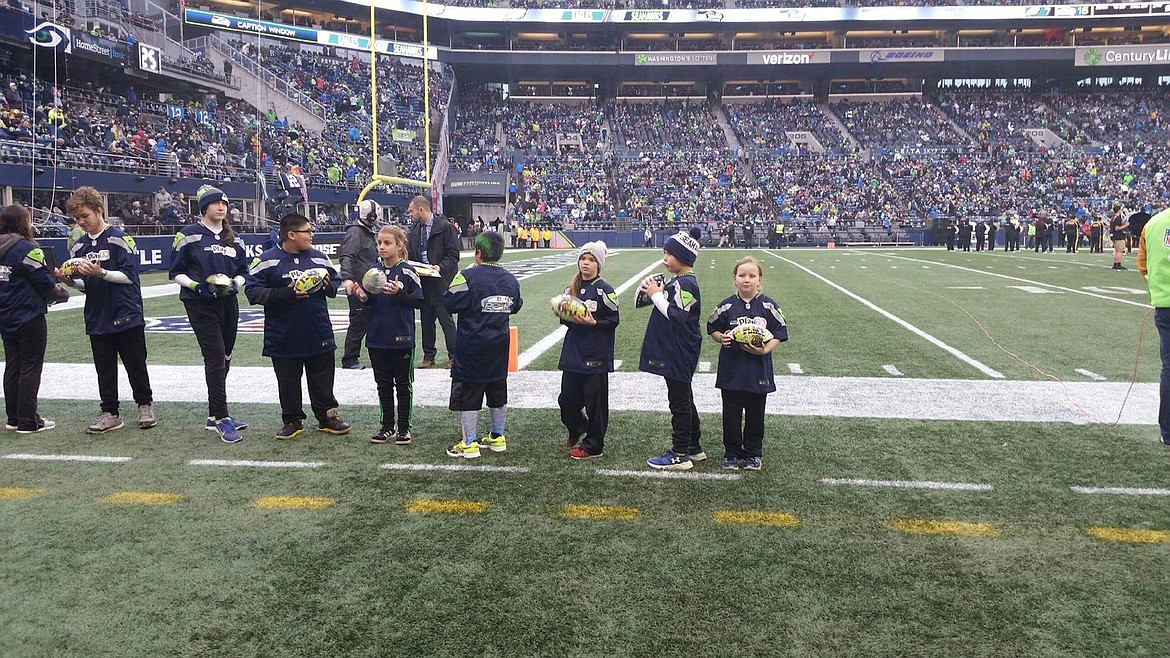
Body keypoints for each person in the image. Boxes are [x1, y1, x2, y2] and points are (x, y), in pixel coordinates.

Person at [244, 213, 352, 439]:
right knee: (288, 380)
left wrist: (325, 285)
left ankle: (327, 416)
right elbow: (252, 292)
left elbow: (334, 283)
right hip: (283, 333)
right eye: (307, 231)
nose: (312, 235)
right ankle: (292, 419)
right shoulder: (266, 259)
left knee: (322, 377)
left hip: (317, 328)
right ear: (291, 235)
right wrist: (287, 293)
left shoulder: (319, 257)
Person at [59, 187, 155, 434]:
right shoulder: (78, 247)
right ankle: (110, 412)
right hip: (97, 314)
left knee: (135, 363)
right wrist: (71, 282)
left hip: (125, 312)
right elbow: (86, 286)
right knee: (104, 367)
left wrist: (100, 272)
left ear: (98, 210)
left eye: (85, 216)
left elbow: (129, 277)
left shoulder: (119, 239)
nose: (81, 222)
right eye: (77, 219)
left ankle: (144, 405)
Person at [169, 185, 249, 442]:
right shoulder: (189, 235)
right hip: (200, 303)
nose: (221, 207)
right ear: (204, 207)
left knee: (225, 355)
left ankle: (215, 413)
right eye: (215, 203)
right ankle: (222, 416)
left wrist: (233, 285)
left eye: (224, 203)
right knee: (214, 356)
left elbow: (244, 272)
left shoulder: (234, 238)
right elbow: (175, 272)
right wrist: (198, 286)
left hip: (228, 302)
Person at [443, 231, 523, 459]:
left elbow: (448, 302)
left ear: (478, 253)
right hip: (499, 345)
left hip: (472, 346)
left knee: (470, 393)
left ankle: (469, 443)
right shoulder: (510, 279)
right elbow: (516, 305)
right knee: (498, 390)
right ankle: (497, 437)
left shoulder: (468, 276)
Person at [707, 257, 788, 471]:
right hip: (731, 371)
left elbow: (780, 332)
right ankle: (731, 452)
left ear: (759, 280)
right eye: (742, 275)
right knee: (731, 414)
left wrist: (765, 349)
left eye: (752, 276)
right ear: (734, 279)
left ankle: (753, 453)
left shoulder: (768, 306)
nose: (747, 280)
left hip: (757, 371)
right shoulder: (726, 306)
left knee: (755, 415)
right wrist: (721, 338)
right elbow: (712, 327)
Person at [0, 205, 68, 433]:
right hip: (28, 315)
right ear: (24, 221)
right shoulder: (28, 249)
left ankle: (14, 418)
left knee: (13, 365)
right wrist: (62, 292)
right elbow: (45, 285)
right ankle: (28, 420)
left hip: (5, 315)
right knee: (30, 366)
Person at [641, 227, 705, 471]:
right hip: (678, 348)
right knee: (684, 397)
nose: (664, 259)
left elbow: (678, 316)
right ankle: (694, 446)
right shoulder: (679, 281)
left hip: (680, 349)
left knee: (678, 400)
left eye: (668, 254)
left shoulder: (686, 284)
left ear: (683, 257)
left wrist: (657, 296)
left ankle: (680, 453)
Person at [557, 241, 619, 460]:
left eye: (591, 260)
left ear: (599, 264)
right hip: (573, 354)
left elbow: (613, 320)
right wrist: (564, 315)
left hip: (596, 355)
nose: (586, 263)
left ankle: (594, 445)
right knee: (566, 401)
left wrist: (594, 323)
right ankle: (577, 428)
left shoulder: (605, 290)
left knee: (595, 404)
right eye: (583, 258)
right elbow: (568, 323)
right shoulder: (570, 290)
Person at [364, 225, 425, 445]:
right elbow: (368, 303)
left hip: (401, 338)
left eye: (387, 243)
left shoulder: (408, 271)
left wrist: (400, 293)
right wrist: (362, 295)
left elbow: (419, 301)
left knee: (403, 385)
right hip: (377, 338)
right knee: (383, 386)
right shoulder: (373, 270)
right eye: (379, 243)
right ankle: (386, 426)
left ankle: (404, 428)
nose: (381, 247)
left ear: (399, 245)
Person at [406, 196, 459, 369]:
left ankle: (454, 356)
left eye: (411, 211)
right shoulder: (414, 230)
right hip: (424, 280)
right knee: (426, 320)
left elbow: (453, 256)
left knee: (445, 319)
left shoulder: (445, 227)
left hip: (441, 281)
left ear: (421, 210)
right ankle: (429, 356)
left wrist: (440, 267)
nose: (410, 214)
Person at [1139, 207, 1170, 446]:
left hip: (1165, 304)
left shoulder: (1153, 223)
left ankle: (1168, 433)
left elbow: (1143, 264)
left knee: (1169, 367)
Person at [338, 199, 380, 370]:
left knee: (371, 321)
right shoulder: (356, 233)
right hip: (359, 286)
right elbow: (347, 256)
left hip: (368, 283)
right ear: (370, 216)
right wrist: (348, 278)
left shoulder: (365, 231)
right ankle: (349, 359)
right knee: (358, 322)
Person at [1110, 206, 1130, 271]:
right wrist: (1125, 225)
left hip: (1114, 236)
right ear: (1118, 210)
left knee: (1116, 250)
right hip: (1118, 236)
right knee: (1120, 250)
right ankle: (1118, 264)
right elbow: (1117, 228)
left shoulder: (1113, 217)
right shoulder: (1117, 218)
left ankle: (1115, 264)